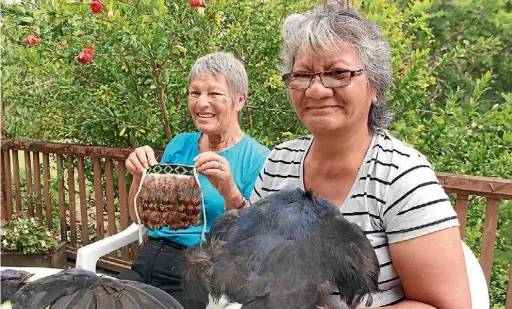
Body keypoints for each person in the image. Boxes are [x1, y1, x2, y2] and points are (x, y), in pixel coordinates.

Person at [249, 4, 471, 309]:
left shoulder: (402, 176)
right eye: (302, 75)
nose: (316, 90)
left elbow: (449, 305)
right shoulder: (279, 162)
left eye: (338, 73)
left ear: (375, 87)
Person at [120, 52, 270, 309]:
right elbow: (141, 217)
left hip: (199, 275)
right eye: (194, 93)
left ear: (240, 100)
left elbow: (255, 244)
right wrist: (139, 177)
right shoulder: (180, 144)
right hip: (149, 259)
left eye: (214, 94)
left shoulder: (258, 157)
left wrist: (230, 192)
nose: (202, 103)